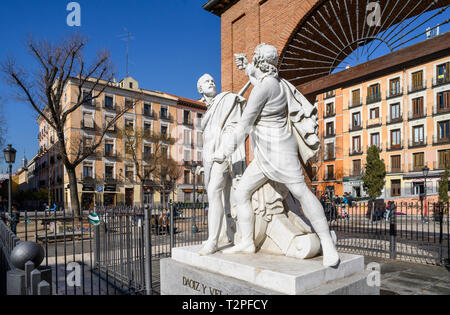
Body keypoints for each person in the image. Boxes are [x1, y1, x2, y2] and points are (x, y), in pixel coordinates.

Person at [214, 43, 340, 267]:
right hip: (264, 156)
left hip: (279, 150)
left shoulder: (264, 89)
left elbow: (244, 125)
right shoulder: (277, 83)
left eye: (254, 60)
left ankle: (328, 244)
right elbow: (259, 78)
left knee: (301, 191)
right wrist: (249, 69)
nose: (253, 64)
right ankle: (247, 242)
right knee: (242, 192)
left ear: (261, 62)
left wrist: (223, 152)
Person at [197, 74, 247, 255]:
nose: (211, 82)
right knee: (222, 196)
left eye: (213, 80)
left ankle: (212, 241)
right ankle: (224, 235)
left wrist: (224, 150)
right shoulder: (208, 112)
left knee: (214, 192)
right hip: (210, 157)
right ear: (200, 89)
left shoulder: (226, 99)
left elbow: (234, 127)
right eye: (206, 81)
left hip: (223, 153)